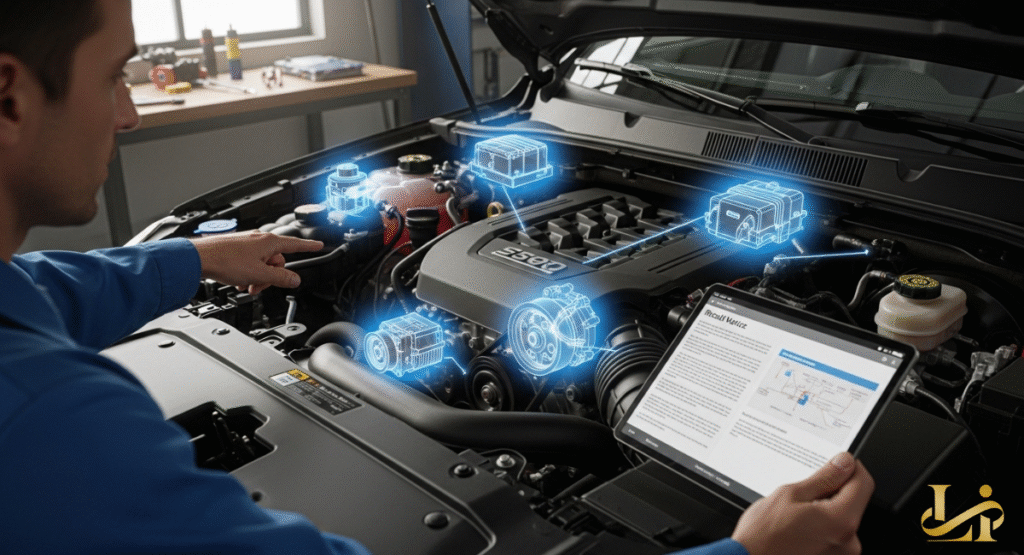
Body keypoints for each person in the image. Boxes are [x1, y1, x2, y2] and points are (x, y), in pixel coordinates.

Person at [0, 0, 875, 553]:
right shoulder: (50, 425)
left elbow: (31, 289)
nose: (128, 110)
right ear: (8, 94)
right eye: (116, 74)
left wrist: (191, 258)